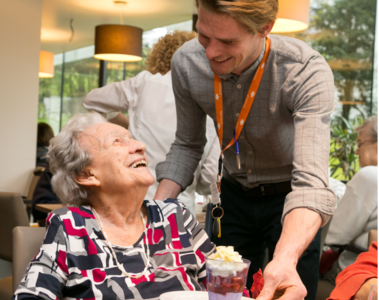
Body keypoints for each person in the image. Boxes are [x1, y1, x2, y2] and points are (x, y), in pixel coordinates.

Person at [154, 1, 337, 299]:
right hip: (233, 196)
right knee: (224, 294)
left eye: (228, 41)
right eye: (203, 36)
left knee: (287, 288)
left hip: (290, 201)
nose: (211, 52)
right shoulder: (186, 63)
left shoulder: (303, 70)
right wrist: (154, 215)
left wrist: (286, 259)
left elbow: (310, 184)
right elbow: (187, 145)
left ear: (265, 29)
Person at [13, 113, 215, 300]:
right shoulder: (72, 227)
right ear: (87, 175)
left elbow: (228, 283)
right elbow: (30, 296)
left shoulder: (176, 217)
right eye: (117, 141)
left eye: (132, 138)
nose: (139, 146)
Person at [83, 30, 220, 215]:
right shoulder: (212, 97)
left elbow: (91, 101)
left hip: (132, 201)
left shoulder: (144, 84)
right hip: (181, 207)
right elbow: (211, 173)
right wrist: (197, 188)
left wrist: (125, 126)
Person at [324, 116, 378, 284]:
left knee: (306, 261)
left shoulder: (369, 176)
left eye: (360, 143)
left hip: (358, 270)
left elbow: (334, 238)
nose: (356, 151)